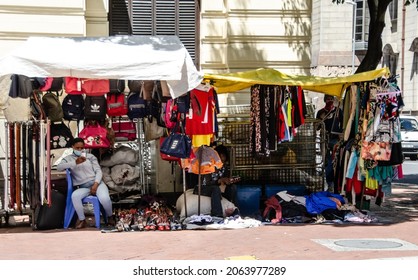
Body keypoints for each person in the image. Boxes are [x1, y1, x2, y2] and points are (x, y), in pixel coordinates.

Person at [57, 137, 115, 229]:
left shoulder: (90, 157)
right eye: (77, 148)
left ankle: (110, 216)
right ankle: (82, 220)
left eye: (82, 148)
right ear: (72, 147)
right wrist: (74, 163)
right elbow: (59, 167)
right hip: (83, 186)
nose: (80, 150)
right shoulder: (68, 159)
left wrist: (96, 184)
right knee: (75, 196)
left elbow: (98, 171)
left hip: (97, 183)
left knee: (104, 199)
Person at [316, 95, 343, 191]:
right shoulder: (320, 112)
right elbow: (317, 127)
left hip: (335, 140)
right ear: (324, 100)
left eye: (331, 99)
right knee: (327, 163)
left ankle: (337, 184)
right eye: (328, 99)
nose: (329, 101)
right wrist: (321, 120)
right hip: (325, 140)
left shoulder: (338, 111)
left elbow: (343, 124)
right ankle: (330, 184)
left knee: (336, 161)